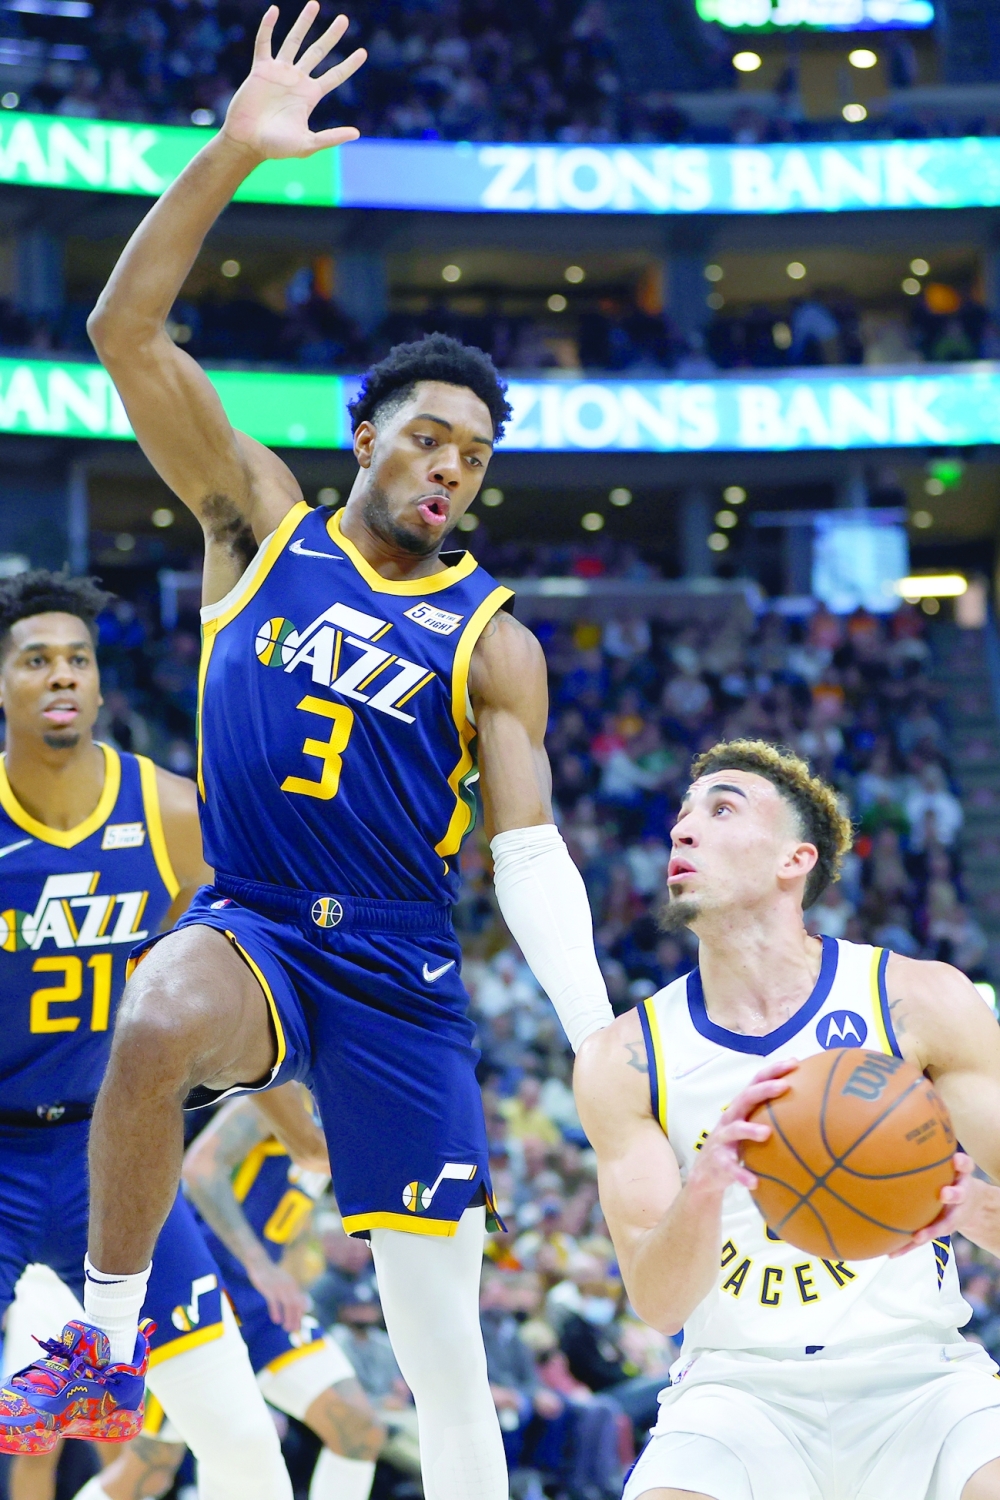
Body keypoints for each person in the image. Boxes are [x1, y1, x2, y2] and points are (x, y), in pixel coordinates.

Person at [5, 8, 614, 1494]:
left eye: (473, 456)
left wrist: (594, 1028)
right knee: (156, 1018)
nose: (449, 467)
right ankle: (101, 1343)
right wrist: (231, 150)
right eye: (427, 437)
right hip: (264, 924)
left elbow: (528, 850)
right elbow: (122, 335)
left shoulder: (496, 641)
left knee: (442, 1357)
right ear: (365, 437)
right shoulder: (258, 526)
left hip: (402, 961)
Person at [574, 738, 1000, 1500]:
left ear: (794, 860)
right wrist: (706, 1183)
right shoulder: (625, 1058)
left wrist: (964, 1205)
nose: (682, 829)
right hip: (737, 1395)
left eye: (721, 809)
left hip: (923, 1379)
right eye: (682, 815)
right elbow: (659, 1305)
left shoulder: (919, 1000)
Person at [0, 568, 295, 1497]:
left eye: (79, 659)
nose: (62, 674)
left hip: (116, 1152)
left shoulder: (169, 813)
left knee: (241, 1440)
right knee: (31, 1445)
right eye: (36, 659)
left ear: (99, 684)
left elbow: (236, 987)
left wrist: (305, 1129)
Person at [181, 1089, 384, 1500]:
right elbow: (200, 1169)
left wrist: (292, 1279)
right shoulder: (282, 1092)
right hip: (205, 1290)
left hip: (264, 1304)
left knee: (358, 1429)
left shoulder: (347, 1112)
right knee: (149, 1467)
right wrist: (259, 1263)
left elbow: (291, 1212)